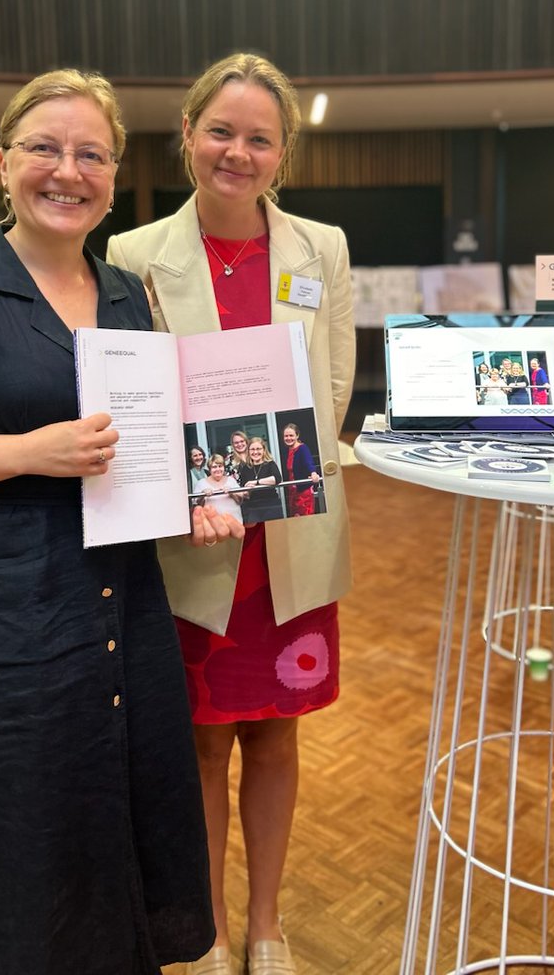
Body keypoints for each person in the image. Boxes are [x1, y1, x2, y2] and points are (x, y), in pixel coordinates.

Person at [0, 70, 239, 975]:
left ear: (113, 175)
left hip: (119, 604)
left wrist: (194, 504)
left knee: (108, 811)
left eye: (91, 155)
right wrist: (28, 451)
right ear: (4, 163)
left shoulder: (125, 294)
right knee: (15, 831)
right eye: (45, 149)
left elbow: (135, 450)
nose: (68, 171)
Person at [106, 52, 355, 975]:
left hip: (290, 536)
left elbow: (332, 381)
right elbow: (133, 399)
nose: (237, 152)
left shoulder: (319, 247)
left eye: (259, 138)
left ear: (282, 153)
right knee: (204, 746)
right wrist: (193, 490)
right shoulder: (134, 257)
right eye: (221, 131)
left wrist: (274, 480)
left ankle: (267, 925)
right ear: (187, 137)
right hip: (192, 541)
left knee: (277, 735)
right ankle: (209, 926)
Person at [237, 436, 284, 524]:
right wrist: (248, 491)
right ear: (248, 451)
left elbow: (277, 478)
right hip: (253, 507)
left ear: (264, 450)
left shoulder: (270, 464)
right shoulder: (245, 468)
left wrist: (257, 482)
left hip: (271, 505)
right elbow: (245, 493)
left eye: (258, 449)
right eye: (252, 449)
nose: (255, 452)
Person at [282, 421, 321, 517]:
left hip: (303, 492)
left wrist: (313, 473)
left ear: (297, 435)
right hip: (292, 492)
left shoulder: (302, 448)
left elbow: (309, 462)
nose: (288, 438)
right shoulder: (288, 450)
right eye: (286, 436)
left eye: (291, 435)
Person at [193, 453, 245, 522]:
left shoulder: (231, 480)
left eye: (220, 466)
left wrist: (231, 492)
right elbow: (196, 505)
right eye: (214, 467)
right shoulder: (201, 483)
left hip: (234, 522)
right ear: (209, 469)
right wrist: (202, 494)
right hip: (213, 524)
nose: (218, 469)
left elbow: (240, 501)